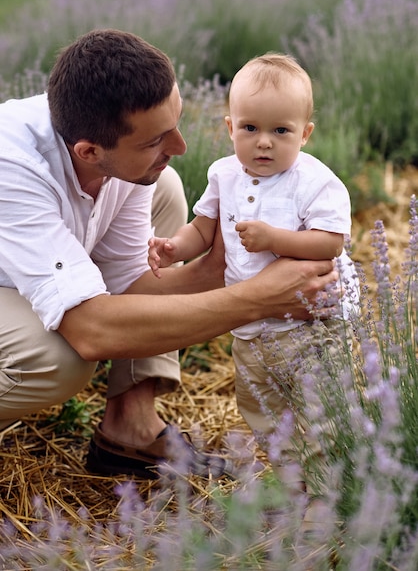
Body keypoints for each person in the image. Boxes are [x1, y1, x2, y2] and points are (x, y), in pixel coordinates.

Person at [0, 31, 338, 481]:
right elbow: (93, 331)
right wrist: (258, 298)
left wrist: (221, 266)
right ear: (89, 151)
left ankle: (130, 426)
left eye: (175, 124)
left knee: (164, 186)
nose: (180, 147)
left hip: (26, 266)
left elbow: (130, 287)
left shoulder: (111, 150)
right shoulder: (14, 168)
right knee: (55, 359)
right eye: (156, 139)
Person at [148, 52, 359, 490]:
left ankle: (329, 490)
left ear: (305, 134)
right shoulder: (224, 174)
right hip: (250, 331)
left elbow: (330, 242)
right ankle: (294, 482)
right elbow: (204, 227)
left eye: (281, 131)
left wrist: (274, 240)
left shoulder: (315, 182)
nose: (264, 142)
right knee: (261, 409)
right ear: (230, 128)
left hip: (308, 327)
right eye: (250, 128)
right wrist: (175, 248)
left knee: (320, 410)